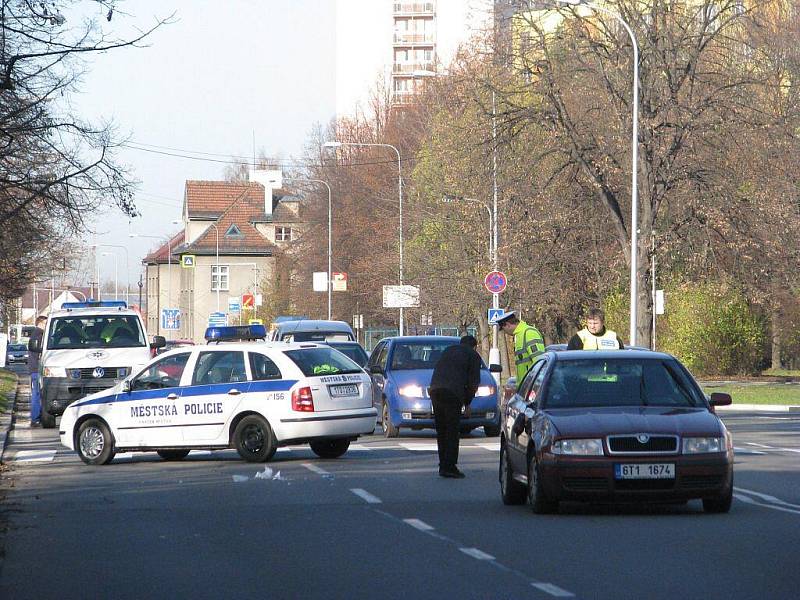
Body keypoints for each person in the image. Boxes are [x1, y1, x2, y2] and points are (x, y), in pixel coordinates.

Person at [428, 335, 482, 479]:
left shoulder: (448, 350)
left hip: (435, 390)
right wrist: (468, 403)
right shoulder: (473, 355)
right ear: (474, 346)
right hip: (452, 393)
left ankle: (443, 464)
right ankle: (450, 466)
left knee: (441, 429)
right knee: (452, 430)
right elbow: (473, 383)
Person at [496, 311, 545, 381]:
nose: (505, 332)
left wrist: (536, 384)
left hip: (531, 384)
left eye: (504, 329)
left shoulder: (529, 333)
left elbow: (539, 361)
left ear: (508, 324)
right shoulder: (519, 335)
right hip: (525, 385)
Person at [27, 315, 47, 426]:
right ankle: (35, 418)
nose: (46, 325)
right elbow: (38, 350)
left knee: (38, 393)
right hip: (36, 369)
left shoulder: (39, 334)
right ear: (40, 323)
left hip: (36, 368)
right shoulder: (38, 334)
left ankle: (37, 416)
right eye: (45, 323)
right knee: (36, 393)